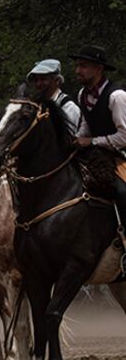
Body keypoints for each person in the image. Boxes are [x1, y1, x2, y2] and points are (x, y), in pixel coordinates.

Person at [70, 45, 126, 232]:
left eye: (83, 66)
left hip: (120, 155)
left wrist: (92, 141)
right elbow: (87, 123)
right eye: (77, 65)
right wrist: (77, 139)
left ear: (99, 69)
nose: (78, 71)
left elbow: (124, 137)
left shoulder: (117, 97)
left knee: (122, 192)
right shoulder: (82, 94)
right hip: (97, 154)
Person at [26, 59, 81, 136]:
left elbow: (68, 141)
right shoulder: (36, 106)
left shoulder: (68, 107)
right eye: (36, 80)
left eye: (43, 79)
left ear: (57, 81)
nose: (38, 84)